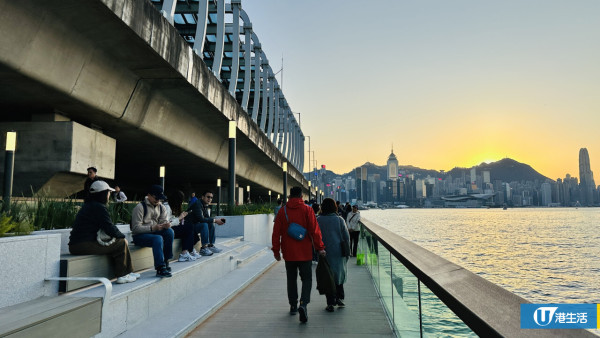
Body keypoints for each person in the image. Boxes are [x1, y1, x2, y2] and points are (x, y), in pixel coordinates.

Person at [272, 186, 325, 323]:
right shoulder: (308, 210)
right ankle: (303, 303)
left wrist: (276, 251)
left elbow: (276, 232)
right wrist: (320, 248)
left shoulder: (282, 211)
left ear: (290, 196)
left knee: (291, 279)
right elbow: (315, 230)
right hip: (305, 252)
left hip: (289, 253)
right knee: (306, 279)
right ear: (301, 196)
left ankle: (293, 305)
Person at [69, 181, 138, 284]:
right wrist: (122, 237)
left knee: (119, 242)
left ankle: (128, 272)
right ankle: (122, 275)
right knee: (121, 243)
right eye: (108, 192)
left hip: (77, 244)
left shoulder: (89, 205)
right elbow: (108, 227)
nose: (109, 195)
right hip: (82, 245)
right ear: (103, 194)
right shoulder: (99, 207)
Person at [131, 185, 174, 278]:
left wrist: (166, 224)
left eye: (160, 198)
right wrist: (152, 228)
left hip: (154, 232)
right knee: (158, 238)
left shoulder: (162, 207)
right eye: (156, 197)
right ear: (149, 195)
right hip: (140, 236)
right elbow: (135, 229)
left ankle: (165, 261)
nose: (158, 200)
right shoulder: (140, 207)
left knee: (169, 232)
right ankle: (160, 268)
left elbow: (163, 221)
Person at [317, 198, 350, 311]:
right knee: (338, 275)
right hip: (338, 252)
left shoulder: (318, 220)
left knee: (327, 276)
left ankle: (330, 302)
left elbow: (315, 237)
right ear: (335, 207)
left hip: (324, 252)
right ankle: (339, 298)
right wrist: (348, 253)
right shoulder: (339, 220)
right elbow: (346, 237)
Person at [167, 190, 203, 260]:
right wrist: (179, 218)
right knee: (189, 227)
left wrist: (181, 218)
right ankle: (185, 252)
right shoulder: (167, 207)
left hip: (173, 227)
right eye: (181, 200)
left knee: (190, 226)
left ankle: (190, 250)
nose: (182, 202)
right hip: (168, 229)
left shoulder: (172, 206)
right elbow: (168, 223)